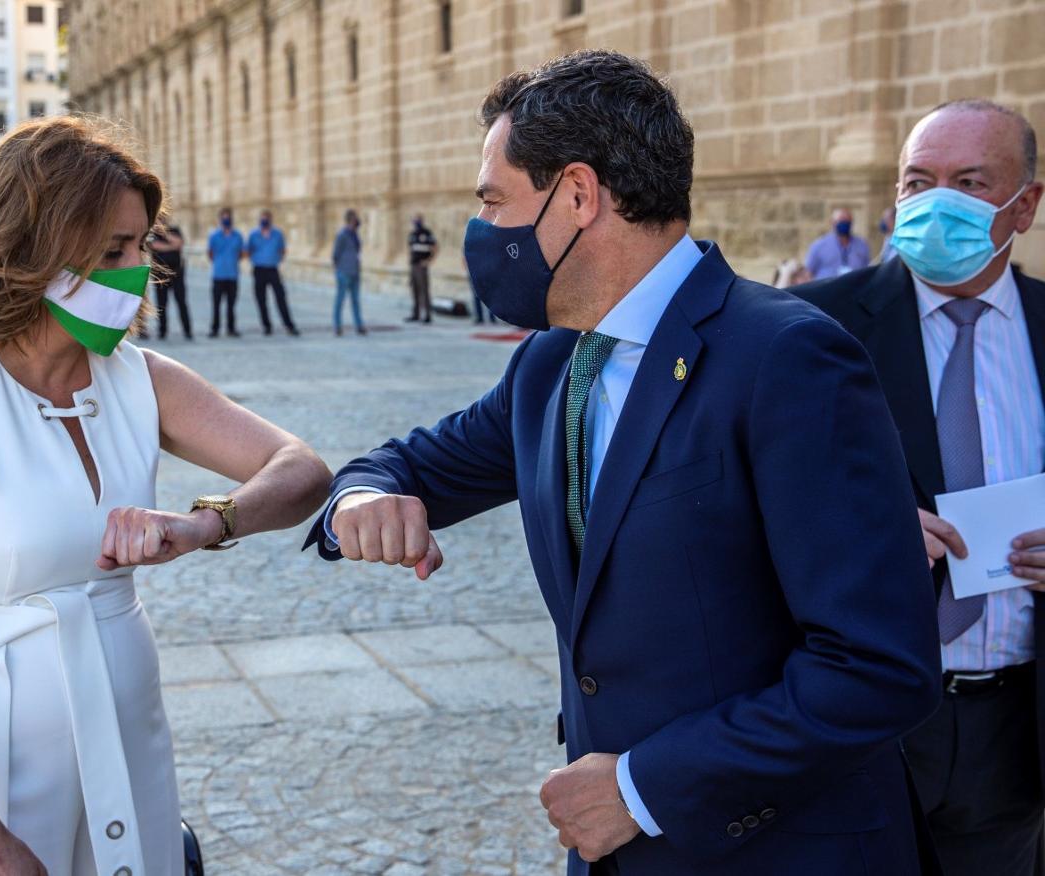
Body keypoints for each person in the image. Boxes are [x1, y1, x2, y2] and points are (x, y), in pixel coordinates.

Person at [304, 49, 941, 876]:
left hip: (778, 851)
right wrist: (363, 497)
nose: (483, 232)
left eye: (494, 202)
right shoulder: (550, 366)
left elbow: (879, 666)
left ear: (577, 194)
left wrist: (643, 788)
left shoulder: (785, 356)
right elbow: (408, 463)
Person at [0, 116, 332, 876]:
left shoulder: (139, 378)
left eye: (140, 246)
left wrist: (207, 524)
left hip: (127, 738)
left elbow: (300, 466)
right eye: (114, 251)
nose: (139, 270)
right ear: (34, 246)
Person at [795, 99, 1045, 876]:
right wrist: (865, 535)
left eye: (969, 181)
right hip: (860, 718)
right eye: (917, 181)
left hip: (1016, 728)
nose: (937, 202)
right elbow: (739, 506)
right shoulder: (810, 328)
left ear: (1025, 205)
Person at [247, 209, 299, 336]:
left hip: (273, 269)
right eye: (263, 218)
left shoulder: (277, 234)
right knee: (261, 299)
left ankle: (289, 325)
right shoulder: (253, 234)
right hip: (259, 270)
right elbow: (247, 250)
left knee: (280, 297)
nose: (265, 220)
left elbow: (282, 250)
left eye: (267, 218)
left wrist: (276, 259)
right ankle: (266, 326)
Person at [149, 220, 192, 340]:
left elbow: (179, 243)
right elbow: (155, 246)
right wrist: (171, 246)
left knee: (181, 302)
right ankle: (162, 331)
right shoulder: (151, 233)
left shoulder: (175, 229)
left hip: (177, 274)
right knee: (162, 305)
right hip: (160, 276)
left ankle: (187, 330)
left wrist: (165, 234)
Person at [207, 206, 243, 338]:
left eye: (228, 217)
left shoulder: (237, 235)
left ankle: (231, 328)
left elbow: (241, 253)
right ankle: (215, 329)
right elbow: (210, 253)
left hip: (233, 275)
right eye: (224, 217)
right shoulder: (214, 236)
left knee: (231, 305)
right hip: (218, 275)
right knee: (216, 304)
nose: (226, 219)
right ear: (220, 219)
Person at [804, 207, 871, 279]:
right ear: (833, 222)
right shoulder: (819, 246)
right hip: (828, 288)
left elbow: (866, 269)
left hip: (854, 288)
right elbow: (809, 272)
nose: (845, 224)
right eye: (841, 220)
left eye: (847, 221)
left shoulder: (862, 245)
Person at [332, 209, 366, 336]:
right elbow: (335, 254)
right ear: (350, 220)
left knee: (356, 300)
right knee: (340, 300)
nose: (357, 221)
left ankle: (359, 325)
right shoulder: (342, 235)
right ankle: (337, 326)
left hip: (355, 271)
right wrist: (338, 269)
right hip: (344, 272)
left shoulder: (355, 235)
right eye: (355, 219)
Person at [407, 214, 437, 323]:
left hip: (421, 266)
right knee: (414, 290)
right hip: (413, 265)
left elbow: (435, 247)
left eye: (417, 220)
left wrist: (428, 261)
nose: (416, 222)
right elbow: (410, 249)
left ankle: (427, 315)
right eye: (414, 220)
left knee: (424, 290)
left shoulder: (427, 233)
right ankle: (416, 314)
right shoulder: (412, 234)